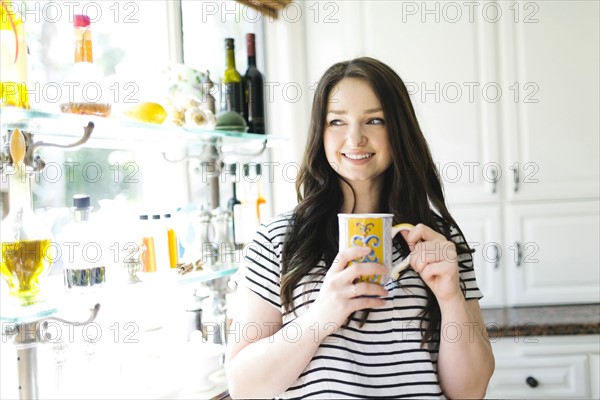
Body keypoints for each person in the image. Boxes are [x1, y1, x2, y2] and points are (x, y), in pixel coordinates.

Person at [225, 57, 495, 399]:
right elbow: (244, 388)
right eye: (337, 121)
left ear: (399, 130)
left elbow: (470, 392)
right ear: (320, 134)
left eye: (375, 120)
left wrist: (450, 296)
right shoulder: (277, 240)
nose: (355, 138)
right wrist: (322, 315)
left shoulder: (440, 241)